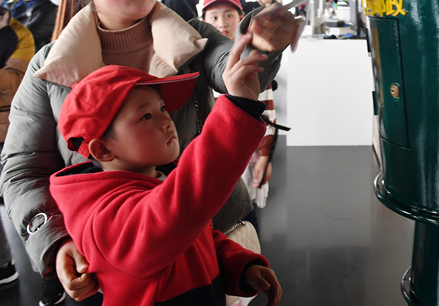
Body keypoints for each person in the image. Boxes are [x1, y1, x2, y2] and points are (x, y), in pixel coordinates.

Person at [0, 0, 302, 304]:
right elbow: (23, 165)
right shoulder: (51, 67)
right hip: (106, 257)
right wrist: (54, 241)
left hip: (213, 229)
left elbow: (232, 67)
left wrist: (260, 45)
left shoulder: (190, 37)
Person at [50, 33, 282, 305]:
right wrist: (238, 109)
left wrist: (239, 267)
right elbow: (183, 206)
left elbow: (195, 239)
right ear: (102, 149)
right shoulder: (105, 218)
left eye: (162, 108)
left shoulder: (158, 180)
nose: (166, 120)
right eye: (146, 116)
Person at [201, 0, 280, 215]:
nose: (222, 23)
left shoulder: (253, 64)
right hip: (212, 160)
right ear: (203, 21)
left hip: (247, 159)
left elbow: (267, 113)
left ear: (241, 18)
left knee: (246, 213)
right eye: (214, 17)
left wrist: (265, 156)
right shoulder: (199, 62)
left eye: (229, 15)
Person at [0, 7, 35, 288]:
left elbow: (13, 81)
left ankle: (45, 268)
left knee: (21, 193)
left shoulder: (18, 33)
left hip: (8, 126)